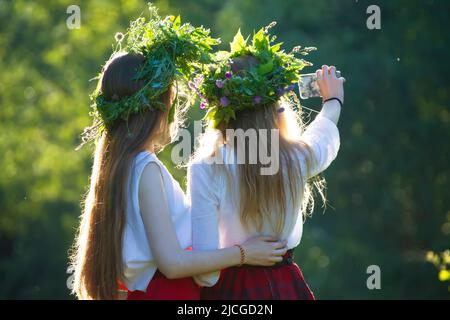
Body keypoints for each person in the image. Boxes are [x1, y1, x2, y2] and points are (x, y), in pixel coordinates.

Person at [69, 9, 287, 300]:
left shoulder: (120, 165)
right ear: (157, 108)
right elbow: (171, 264)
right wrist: (245, 253)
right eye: (170, 104)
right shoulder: (144, 168)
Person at [188, 26, 344, 299]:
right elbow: (324, 135)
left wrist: (241, 255)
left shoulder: (205, 168)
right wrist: (333, 99)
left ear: (221, 110)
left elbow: (206, 275)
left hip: (232, 291)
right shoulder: (297, 158)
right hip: (287, 286)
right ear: (275, 107)